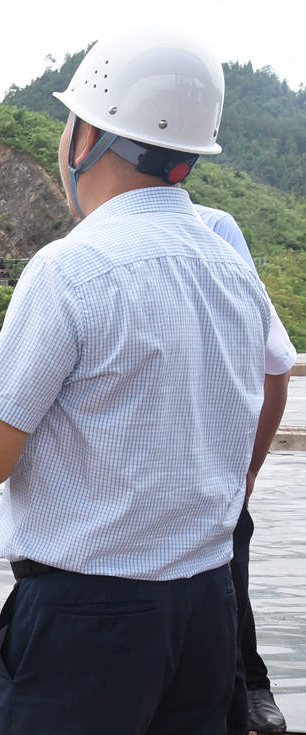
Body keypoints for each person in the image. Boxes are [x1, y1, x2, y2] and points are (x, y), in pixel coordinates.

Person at [0, 32, 269, 733]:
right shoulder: (232, 267)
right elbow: (264, 383)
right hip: (207, 608)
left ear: (87, 135)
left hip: (90, 621)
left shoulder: (71, 269)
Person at [195, 205, 293, 735]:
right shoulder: (93, 238)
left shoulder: (214, 226)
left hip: (215, 465)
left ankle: (253, 686)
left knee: (229, 577)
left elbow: (275, 360)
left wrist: (249, 468)